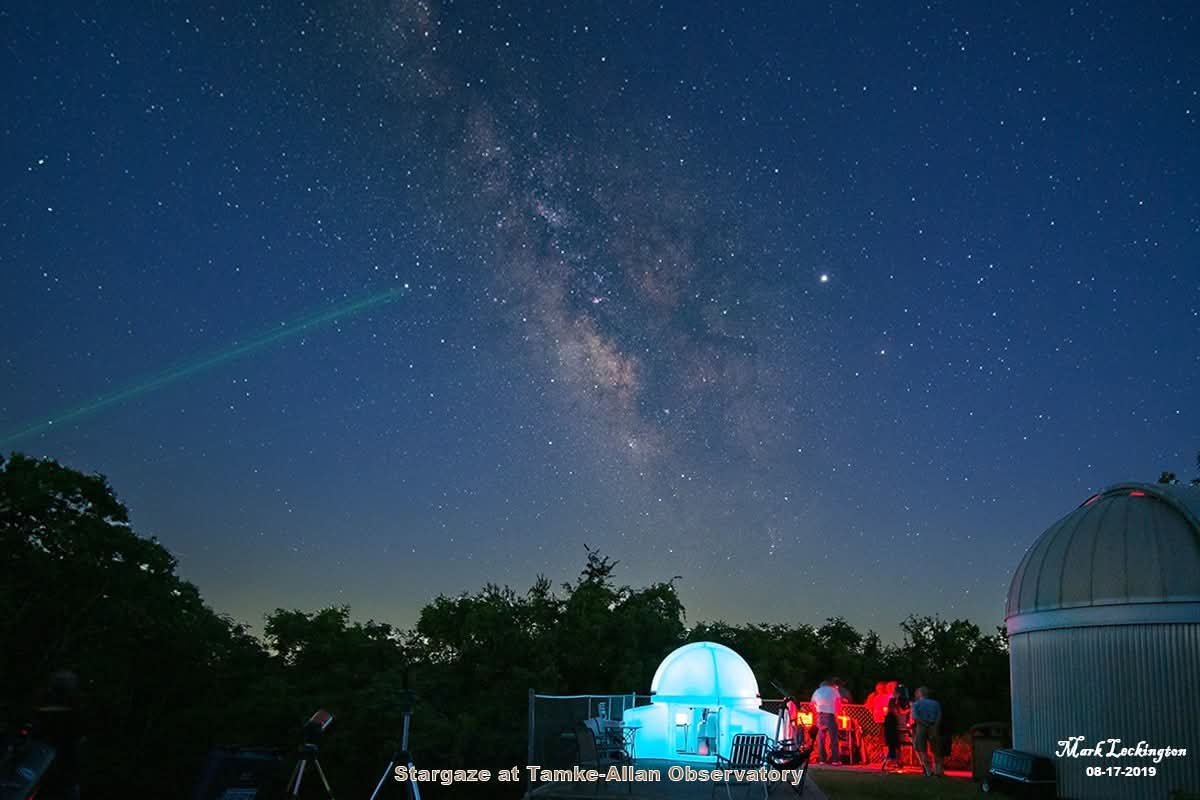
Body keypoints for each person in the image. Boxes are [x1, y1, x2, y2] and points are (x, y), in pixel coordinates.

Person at [910, 686, 943, 777]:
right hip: (933, 726)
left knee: (922, 750)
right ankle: (937, 770)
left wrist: (925, 724)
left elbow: (916, 717)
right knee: (935, 750)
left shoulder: (916, 704)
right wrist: (935, 726)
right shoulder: (936, 703)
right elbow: (939, 716)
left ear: (920, 694)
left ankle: (928, 771)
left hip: (921, 727)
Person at [810, 679, 841, 765]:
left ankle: (822, 759)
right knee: (833, 738)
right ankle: (835, 760)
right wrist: (837, 714)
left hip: (820, 715)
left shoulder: (817, 691)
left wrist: (817, 710)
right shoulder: (834, 690)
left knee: (821, 739)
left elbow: (811, 704)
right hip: (830, 715)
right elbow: (838, 702)